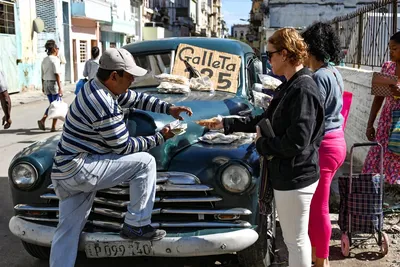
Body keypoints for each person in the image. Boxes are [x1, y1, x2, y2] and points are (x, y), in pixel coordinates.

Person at [49, 47, 193, 267]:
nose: (133, 80)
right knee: (145, 162)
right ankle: (137, 223)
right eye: (129, 76)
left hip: (65, 171)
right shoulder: (103, 103)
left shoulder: (97, 87)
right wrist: (161, 136)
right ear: (114, 75)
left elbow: (135, 98)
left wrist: (169, 108)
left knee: (67, 232)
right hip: (80, 169)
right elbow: (123, 147)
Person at [205, 28, 325, 267]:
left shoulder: (303, 88)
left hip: (296, 176)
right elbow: (264, 120)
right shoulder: (290, 85)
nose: (267, 60)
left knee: (295, 240)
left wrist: (263, 145)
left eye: (269, 55)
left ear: (284, 54)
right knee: (295, 239)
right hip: (291, 174)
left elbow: (297, 141)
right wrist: (226, 123)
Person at [302, 22, 347, 267]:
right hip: (337, 141)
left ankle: (321, 260)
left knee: (318, 206)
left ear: (311, 48)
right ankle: (318, 256)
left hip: (325, 146)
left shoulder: (318, 77)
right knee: (318, 204)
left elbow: (312, 116)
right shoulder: (335, 73)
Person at [363, 31, 400, 185]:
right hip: (386, 124)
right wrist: (370, 123)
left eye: (395, 48)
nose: (390, 51)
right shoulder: (388, 67)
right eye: (389, 48)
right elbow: (378, 98)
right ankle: (378, 198)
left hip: (398, 128)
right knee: (376, 162)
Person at [38, 40, 63, 132]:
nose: (57, 50)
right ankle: (52, 126)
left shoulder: (44, 60)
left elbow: (42, 74)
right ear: (54, 49)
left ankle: (43, 120)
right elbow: (57, 73)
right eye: (57, 48)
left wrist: (43, 86)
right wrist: (60, 88)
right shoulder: (55, 59)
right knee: (55, 105)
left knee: (52, 105)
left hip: (46, 83)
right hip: (54, 84)